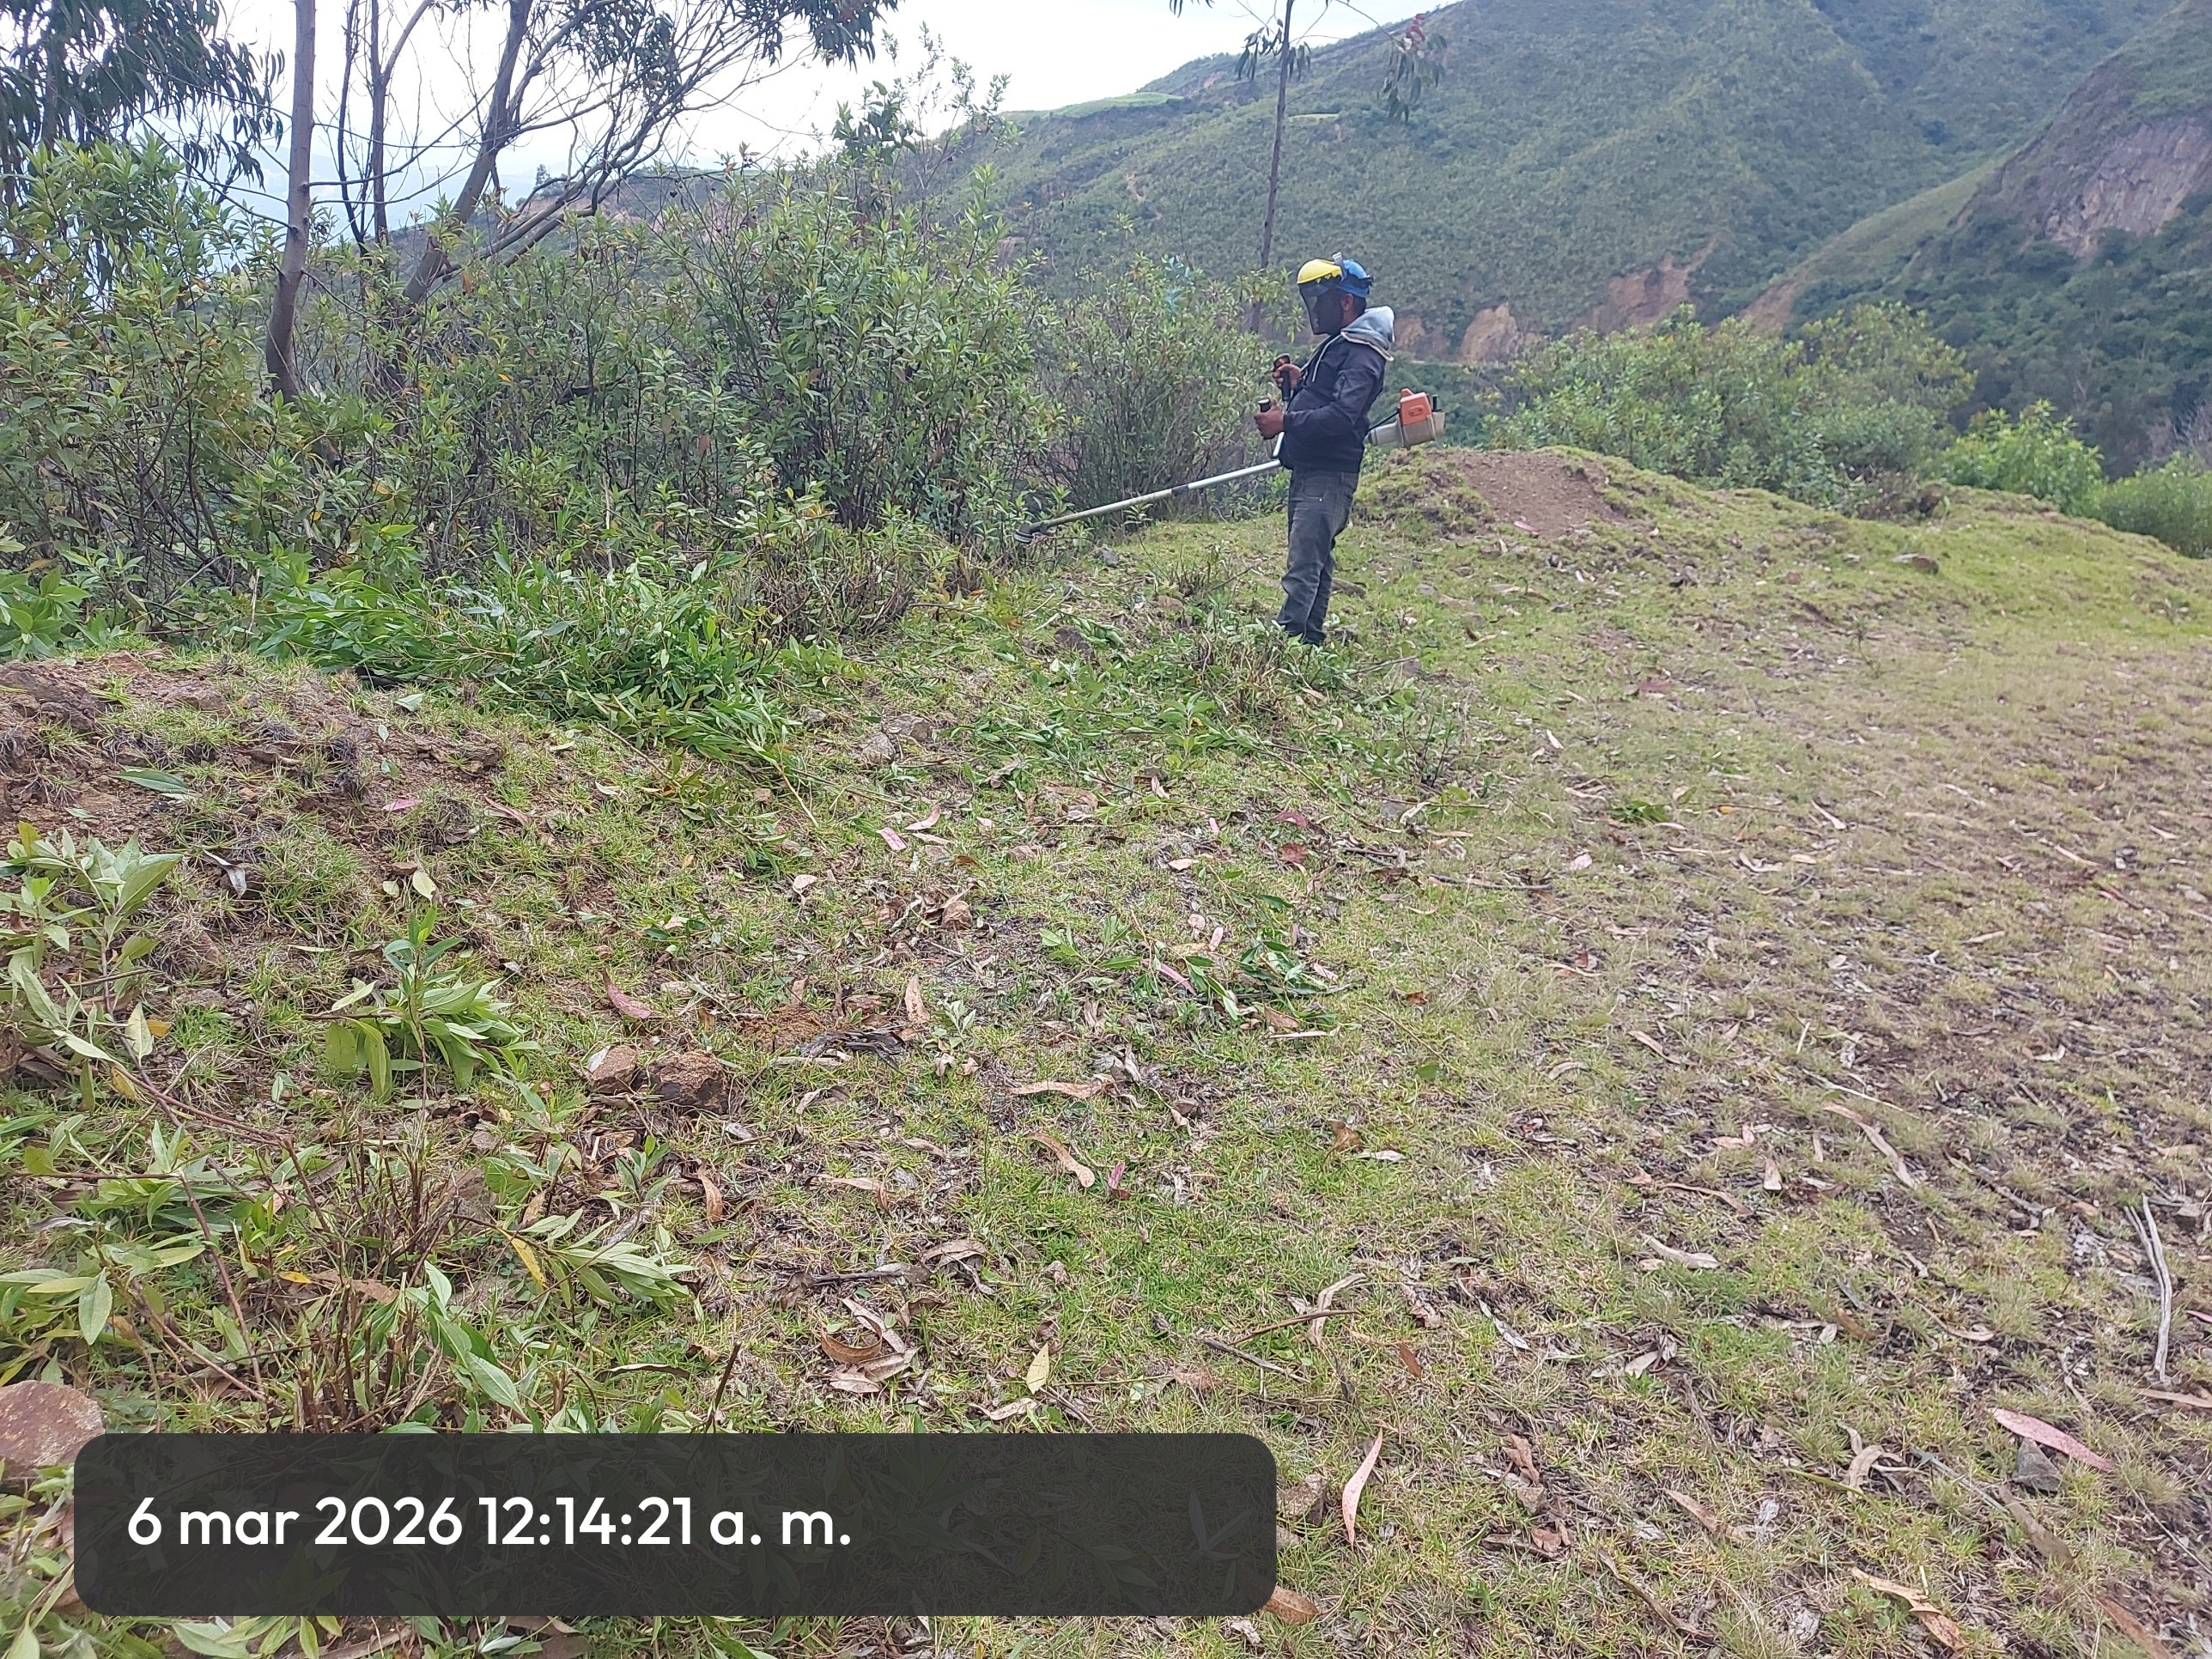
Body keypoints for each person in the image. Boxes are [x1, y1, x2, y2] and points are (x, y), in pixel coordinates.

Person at [1254, 257, 1394, 646]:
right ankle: (1308, 642)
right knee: (1317, 560)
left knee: (1304, 564)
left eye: (1322, 299)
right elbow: (1331, 394)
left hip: (1328, 474)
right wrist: (1301, 381)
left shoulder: (1363, 353)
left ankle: (1286, 644)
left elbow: (1342, 416)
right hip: (1312, 468)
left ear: (1346, 302)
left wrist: (1285, 422)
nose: (1316, 308)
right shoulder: (1345, 343)